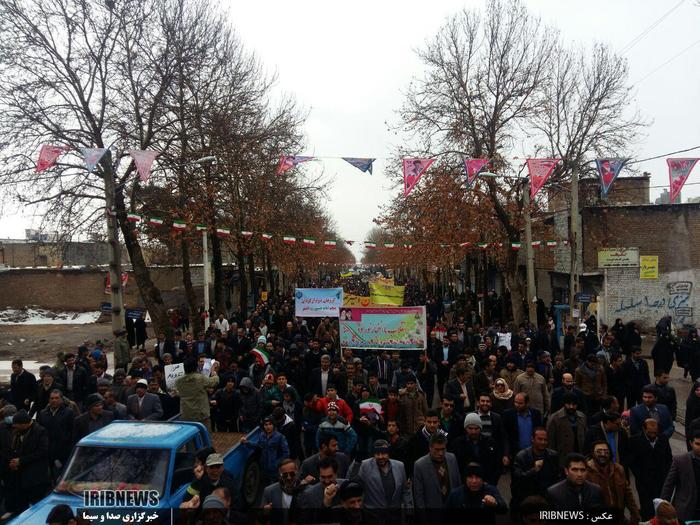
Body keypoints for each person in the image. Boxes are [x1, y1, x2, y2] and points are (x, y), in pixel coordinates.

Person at [1, 410, 51, 515]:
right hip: (20, 476)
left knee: (37, 506)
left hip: (36, 477)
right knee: (22, 507)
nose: (14, 427)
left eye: (17, 425)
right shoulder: (17, 433)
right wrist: (13, 462)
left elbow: (42, 452)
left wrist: (21, 460)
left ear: (24, 424)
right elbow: (13, 449)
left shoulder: (40, 431)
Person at [585, 441, 640, 524]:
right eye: (599, 451)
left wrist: (635, 515)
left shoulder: (618, 469)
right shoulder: (586, 472)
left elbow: (628, 494)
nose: (603, 454)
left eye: (606, 451)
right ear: (592, 453)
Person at [627, 419, 672, 520]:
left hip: (660, 481)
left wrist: (665, 475)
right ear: (644, 429)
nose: (653, 435)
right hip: (644, 483)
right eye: (650, 432)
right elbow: (632, 462)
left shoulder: (663, 439)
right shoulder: (635, 441)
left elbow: (669, 459)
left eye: (655, 433)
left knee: (661, 508)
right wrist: (640, 475)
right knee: (647, 508)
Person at [510, 428, 560, 514]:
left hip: (546, 497)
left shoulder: (553, 455)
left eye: (545, 440)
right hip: (527, 496)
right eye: (540, 439)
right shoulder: (522, 456)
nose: (543, 442)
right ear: (532, 439)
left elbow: (556, 476)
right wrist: (533, 470)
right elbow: (517, 479)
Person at [413, 433, 461, 519]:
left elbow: (457, 484)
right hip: (432, 515)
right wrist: (423, 519)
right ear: (430, 448)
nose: (441, 453)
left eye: (443, 449)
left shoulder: (452, 458)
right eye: (437, 450)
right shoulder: (420, 465)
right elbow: (419, 496)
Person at [356, 439, 412, 513]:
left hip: (394, 516)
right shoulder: (365, 466)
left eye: (384, 453)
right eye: (377, 454)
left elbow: (405, 491)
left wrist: (409, 509)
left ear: (388, 453)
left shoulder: (400, 466)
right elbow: (358, 489)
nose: (380, 457)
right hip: (373, 515)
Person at [660, 431, 700, 522]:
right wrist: (663, 508)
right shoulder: (680, 460)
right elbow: (668, 486)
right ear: (691, 443)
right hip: (685, 512)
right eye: (697, 444)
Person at [450, 413, 500, 484]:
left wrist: (490, 483)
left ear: (480, 428)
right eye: (470, 428)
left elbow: (496, 465)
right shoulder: (457, 444)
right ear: (465, 428)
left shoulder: (490, 443)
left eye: (476, 428)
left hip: (486, 484)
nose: (473, 431)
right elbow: (455, 468)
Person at [37, 390, 74, 482]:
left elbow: (72, 431)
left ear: (61, 399)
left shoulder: (68, 412)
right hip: (47, 450)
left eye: (57, 398)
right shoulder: (43, 413)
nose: (54, 400)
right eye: (52, 398)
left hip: (63, 450)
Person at [241, 416, 289, 486]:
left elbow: (286, 453)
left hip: (275, 471)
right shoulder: (262, 435)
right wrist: (246, 442)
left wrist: (277, 463)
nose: (268, 426)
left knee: (275, 487)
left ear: (273, 425)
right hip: (264, 468)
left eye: (270, 424)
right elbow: (258, 446)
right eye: (266, 425)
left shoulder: (280, 437)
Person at [175, 357, 220, 430]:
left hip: (186, 414)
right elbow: (215, 382)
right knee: (204, 437)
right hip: (200, 414)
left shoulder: (178, 381)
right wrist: (214, 372)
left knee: (189, 438)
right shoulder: (200, 378)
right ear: (196, 367)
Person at [546, 392, 587, 469]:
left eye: (574, 404)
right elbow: (550, 441)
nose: (571, 407)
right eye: (568, 404)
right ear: (564, 404)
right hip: (562, 458)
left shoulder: (582, 417)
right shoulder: (555, 418)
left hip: (579, 454)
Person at [261, 458, 304, 525]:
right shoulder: (269, 491)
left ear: (297, 472)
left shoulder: (307, 491)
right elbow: (261, 519)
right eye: (285, 475)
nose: (289, 477)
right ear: (280, 475)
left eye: (292, 474)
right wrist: (265, 513)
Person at [502, 393, 543, 458]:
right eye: (516, 402)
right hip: (515, 453)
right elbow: (505, 436)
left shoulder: (536, 414)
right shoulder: (508, 415)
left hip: (533, 453)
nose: (517, 405)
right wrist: (506, 454)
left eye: (520, 403)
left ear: (527, 403)